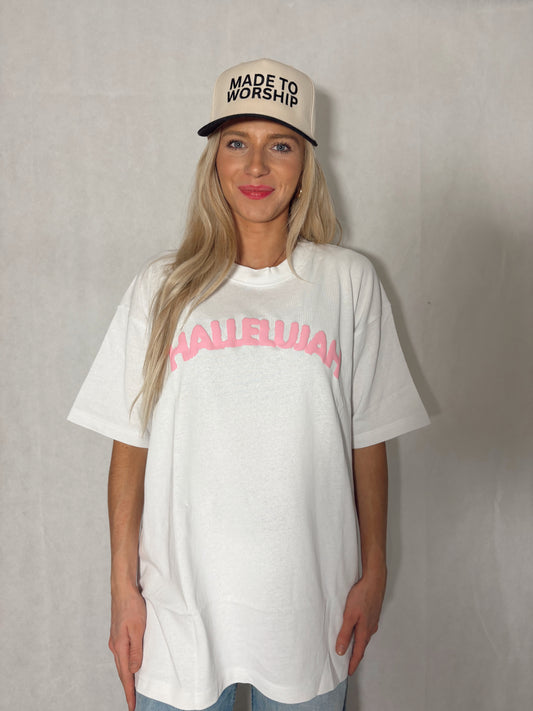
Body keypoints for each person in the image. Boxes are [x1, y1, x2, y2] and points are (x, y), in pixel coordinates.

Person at [68, 58, 430, 711]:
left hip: (308, 609)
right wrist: (122, 588)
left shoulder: (347, 281)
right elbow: (130, 443)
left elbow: (368, 437)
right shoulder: (162, 286)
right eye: (237, 142)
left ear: (305, 164)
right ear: (214, 160)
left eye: (280, 145)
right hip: (178, 615)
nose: (256, 166)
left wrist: (373, 570)